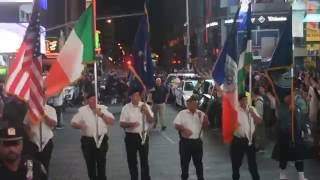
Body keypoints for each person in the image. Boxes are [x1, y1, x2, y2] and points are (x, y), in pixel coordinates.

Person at [71, 91, 114, 180]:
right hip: (88, 141)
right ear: (87, 101)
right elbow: (73, 123)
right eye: (91, 99)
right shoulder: (82, 111)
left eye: (95, 99)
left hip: (101, 139)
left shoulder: (103, 109)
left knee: (101, 163)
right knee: (90, 164)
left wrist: (101, 114)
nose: (94, 101)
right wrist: (80, 126)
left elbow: (111, 122)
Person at [120, 83, 154, 180]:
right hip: (130, 137)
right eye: (134, 96)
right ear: (131, 97)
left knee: (144, 160)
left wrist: (146, 112)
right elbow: (121, 124)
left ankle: (145, 178)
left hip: (143, 136)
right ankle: (134, 177)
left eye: (138, 95)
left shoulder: (145, 106)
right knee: (132, 160)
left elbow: (151, 121)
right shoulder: (126, 108)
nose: (136, 97)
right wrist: (130, 124)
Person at [174, 95, 209, 180]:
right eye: (191, 104)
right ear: (187, 104)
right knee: (184, 164)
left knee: (199, 164)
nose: (193, 105)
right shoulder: (182, 113)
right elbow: (176, 125)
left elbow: (205, 126)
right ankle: (184, 177)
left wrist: (205, 120)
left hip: (197, 142)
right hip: (185, 143)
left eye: (195, 103)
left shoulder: (200, 114)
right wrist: (184, 129)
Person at [230, 93, 262, 180]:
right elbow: (228, 126)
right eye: (242, 100)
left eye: (245, 99)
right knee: (236, 164)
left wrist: (253, 114)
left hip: (250, 140)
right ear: (239, 101)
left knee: (253, 164)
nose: (244, 101)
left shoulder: (252, 109)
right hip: (237, 141)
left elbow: (259, 121)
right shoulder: (235, 111)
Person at [24, 99, 57, 173]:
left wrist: (44, 115)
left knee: (45, 166)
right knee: (31, 167)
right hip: (32, 143)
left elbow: (54, 124)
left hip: (46, 142)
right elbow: (25, 124)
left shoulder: (51, 109)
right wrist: (29, 133)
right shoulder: (30, 110)